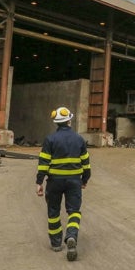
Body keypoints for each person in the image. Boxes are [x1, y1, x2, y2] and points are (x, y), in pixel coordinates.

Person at [35, 106, 91, 261]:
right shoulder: (79, 139)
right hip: (74, 181)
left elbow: (43, 163)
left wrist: (39, 182)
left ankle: (56, 243)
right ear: (69, 121)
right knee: (74, 211)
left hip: (54, 182)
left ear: (56, 123)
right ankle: (71, 236)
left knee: (53, 212)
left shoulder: (50, 139)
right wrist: (85, 179)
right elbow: (86, 164)